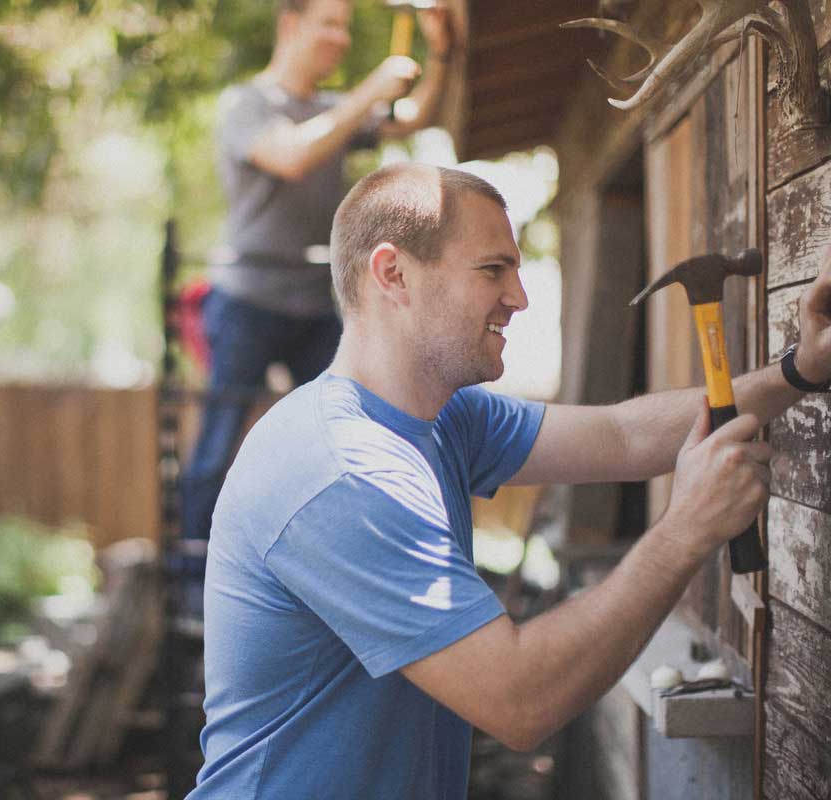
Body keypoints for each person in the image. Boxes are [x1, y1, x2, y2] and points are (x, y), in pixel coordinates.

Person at [189, 163, 831, 799]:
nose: (519, 296)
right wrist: (687, 528)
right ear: (394, 274)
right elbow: (521, 699)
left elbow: (624, 436)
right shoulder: (343, 473)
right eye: (492, 270)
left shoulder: (444, 417)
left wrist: (798, 371)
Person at [179, 0, 456, 554]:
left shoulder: (336, 110)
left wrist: (442, 49)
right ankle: (192, 584)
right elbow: (292, 156)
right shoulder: (247, 104)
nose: (342, 39)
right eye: (329, 24)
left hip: (315, 308)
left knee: (354, 433)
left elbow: (418, 116)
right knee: (217, 448)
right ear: (290, 25)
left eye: (346, 28)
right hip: (247, 303)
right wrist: (373, 90)